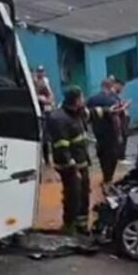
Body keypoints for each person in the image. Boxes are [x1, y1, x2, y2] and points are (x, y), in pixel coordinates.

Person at [48, 87, 91, 234]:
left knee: (84, 195)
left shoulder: (76, 113)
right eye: (82, 97)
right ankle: (69, 227)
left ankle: (82, 226)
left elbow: (90, 116)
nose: (84, 100)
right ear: (76, 100)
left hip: (82, 162)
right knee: (73, 197)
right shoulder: (59, 118)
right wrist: (73, 168)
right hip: (70, 166)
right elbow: (61, 147)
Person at [87, 79, 122, 185]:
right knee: (112, 156)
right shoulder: (111, 100)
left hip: (98, 132)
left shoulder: (92, 99)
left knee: (102, 155)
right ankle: (108, 178)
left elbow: (87, 116)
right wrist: (119, 134)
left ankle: (105, 176)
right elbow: (115, 119)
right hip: (110, 133)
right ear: (110, 87)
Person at [34, 66, 55, 166]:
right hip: (39, 111)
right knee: (42, 136)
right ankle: (43, 158)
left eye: (42, 71)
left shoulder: (46, 82)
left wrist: (48, 101)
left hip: (47, 110)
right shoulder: (34, 82)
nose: (41, 73)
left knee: (49, 135)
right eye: (39, 72)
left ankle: (48, 160)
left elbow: (51, 96)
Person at [112, 79, 131, 160]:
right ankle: (121, 158)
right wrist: (125, 106)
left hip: (122, 122)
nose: (122, 90)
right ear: (117, 85)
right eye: (122, 87)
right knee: (121, 140)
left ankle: (121, 157)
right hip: (119, 123)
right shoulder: (112, 96)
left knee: (123, 139)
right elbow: (115, 111)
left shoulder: (116, 96)